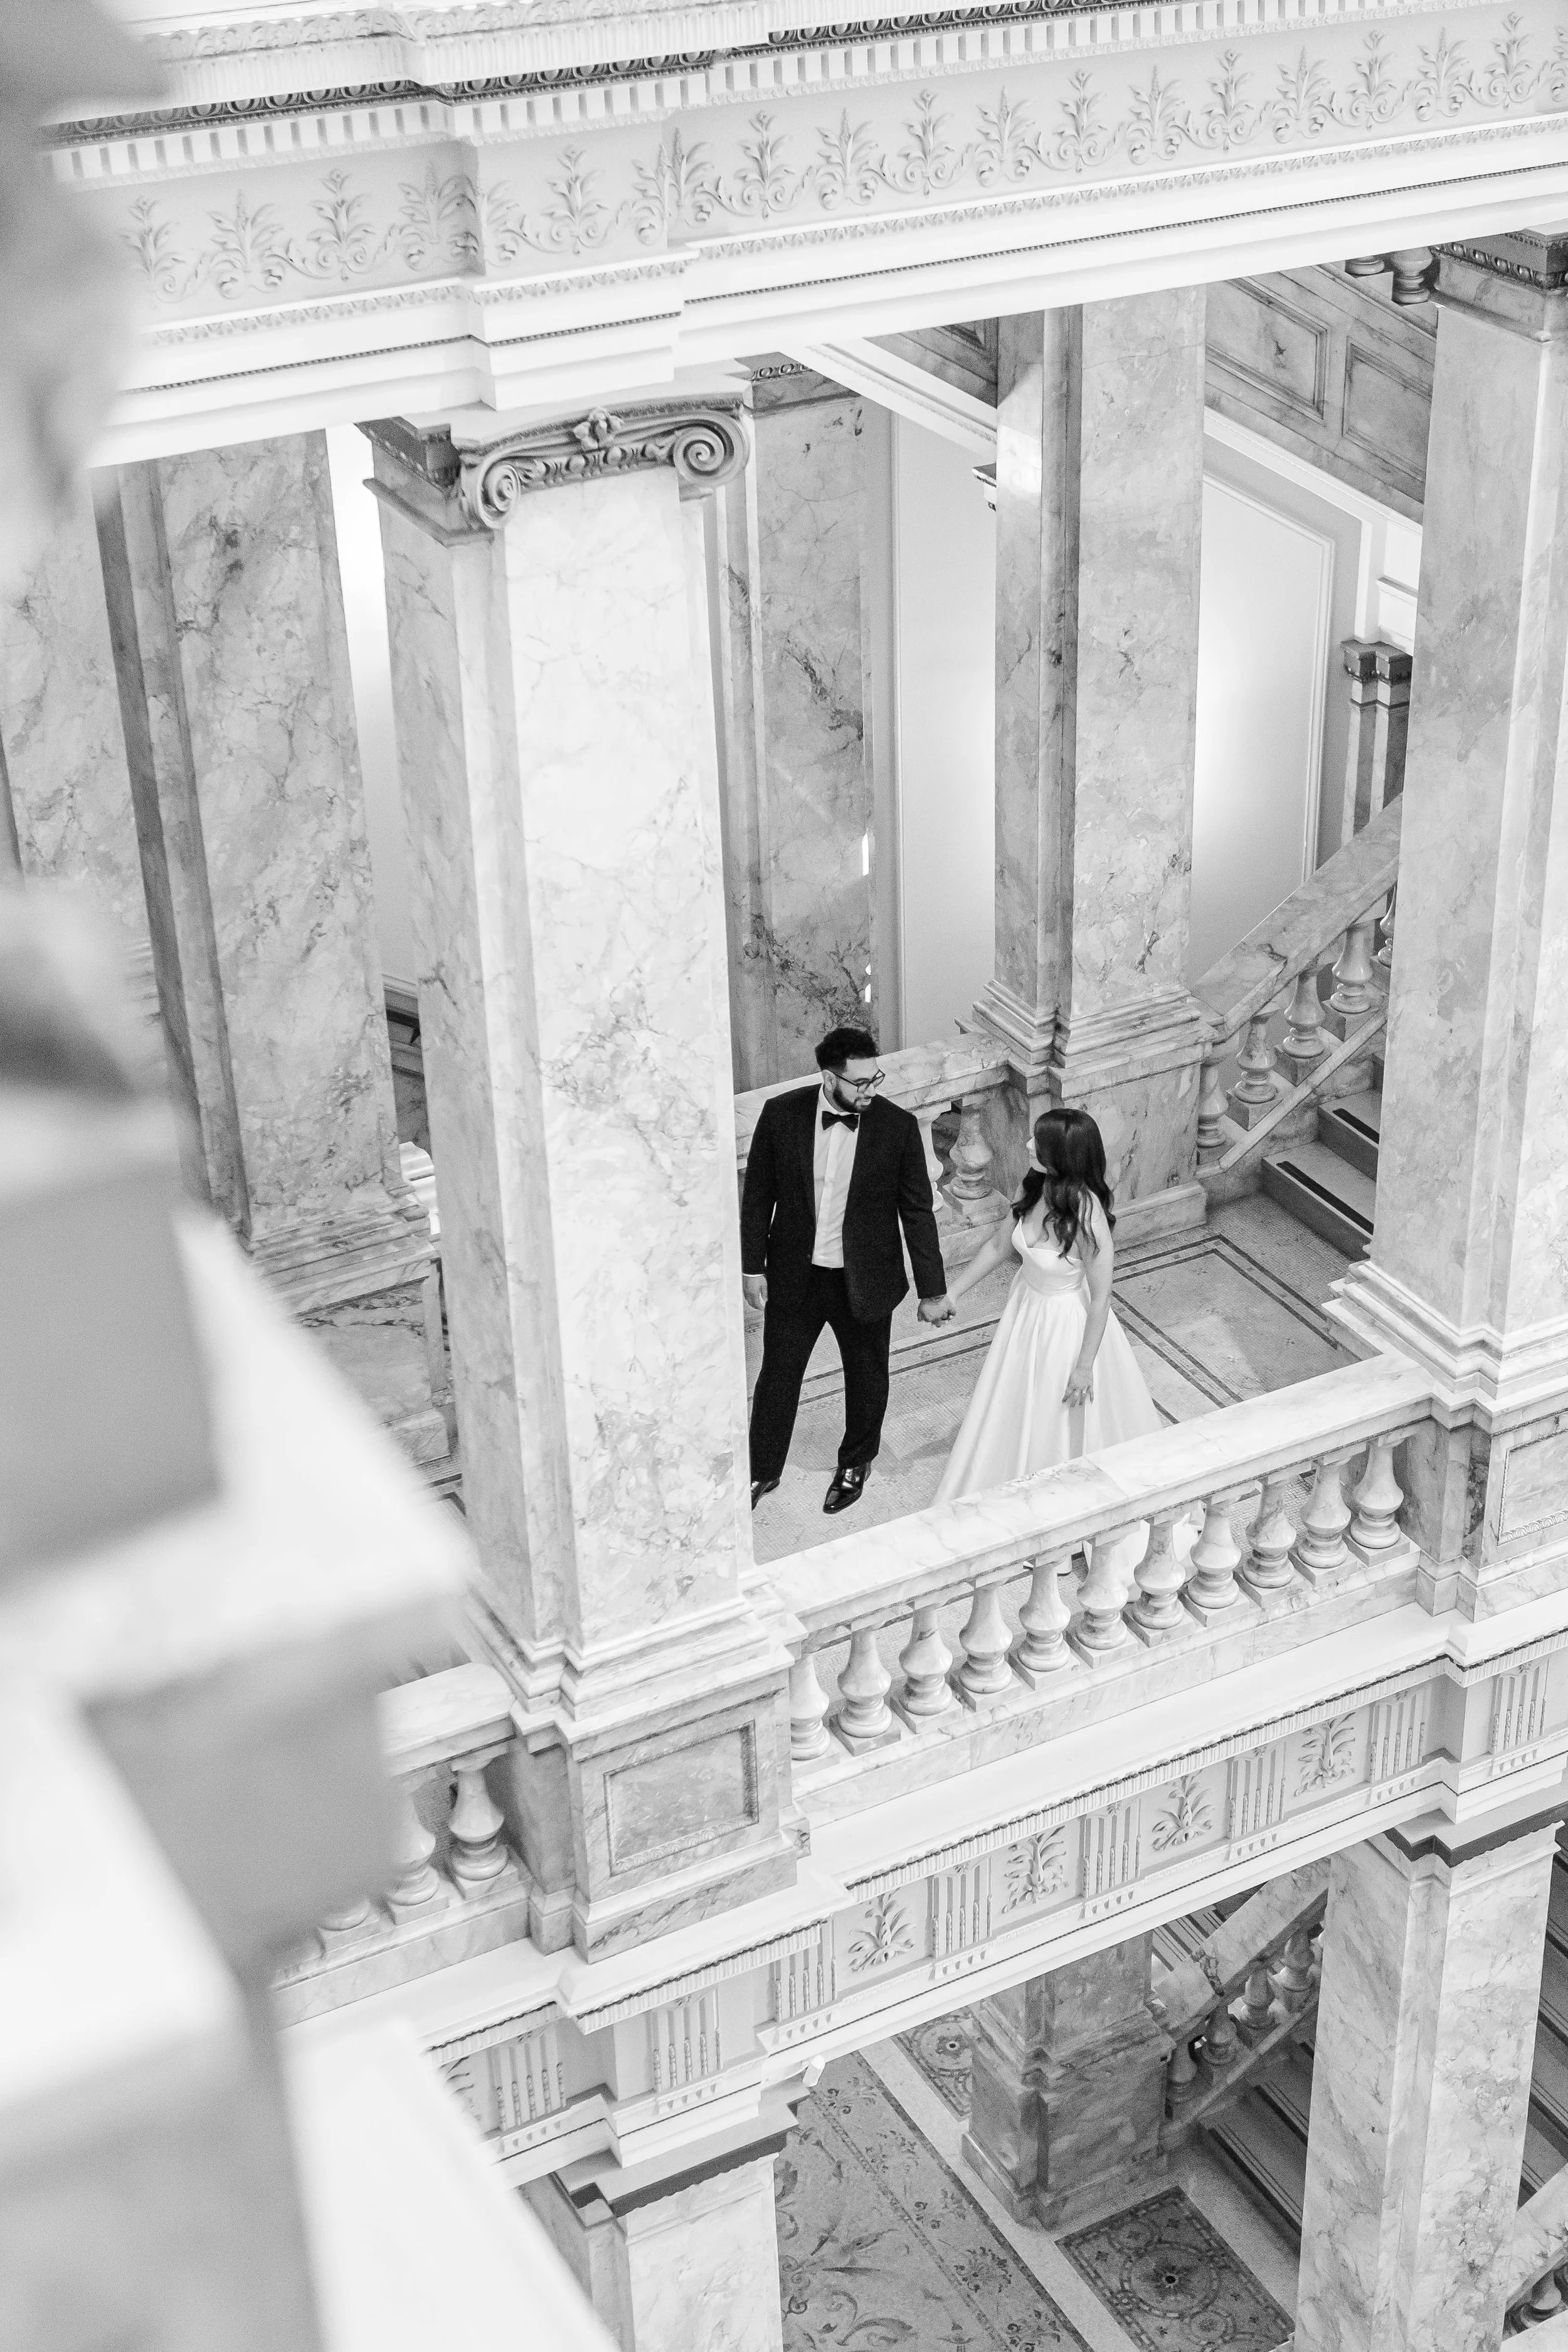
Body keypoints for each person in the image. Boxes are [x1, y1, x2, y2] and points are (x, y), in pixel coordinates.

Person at [743, 1025, 954, 1515]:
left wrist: (932, 1290)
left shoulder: (898, 1127)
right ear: (828, 1077)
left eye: (875, 1078)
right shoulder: (781, 1115)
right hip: (796, 1275)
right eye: (860, 1082)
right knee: (777, 1375)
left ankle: (856, 1463)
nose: (871, 1090)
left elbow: (917, 1212)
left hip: (866, 1277)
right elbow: (757, 1196)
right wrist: (752, 1267)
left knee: (866, 1375)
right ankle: (762, 1468)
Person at [934, 1104, 1162, 1503]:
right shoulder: (1033, 1187)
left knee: (1052, 1416)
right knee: (1015, 1401)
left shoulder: (1087, 1217)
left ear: (1062, 1155)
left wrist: (1084, 1367)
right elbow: (998, 1246)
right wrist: (954, 1292)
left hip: (1065, 1327)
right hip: (1025, 1312)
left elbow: (1101, 1299)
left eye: (1037, 1142)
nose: (1027, 1144)